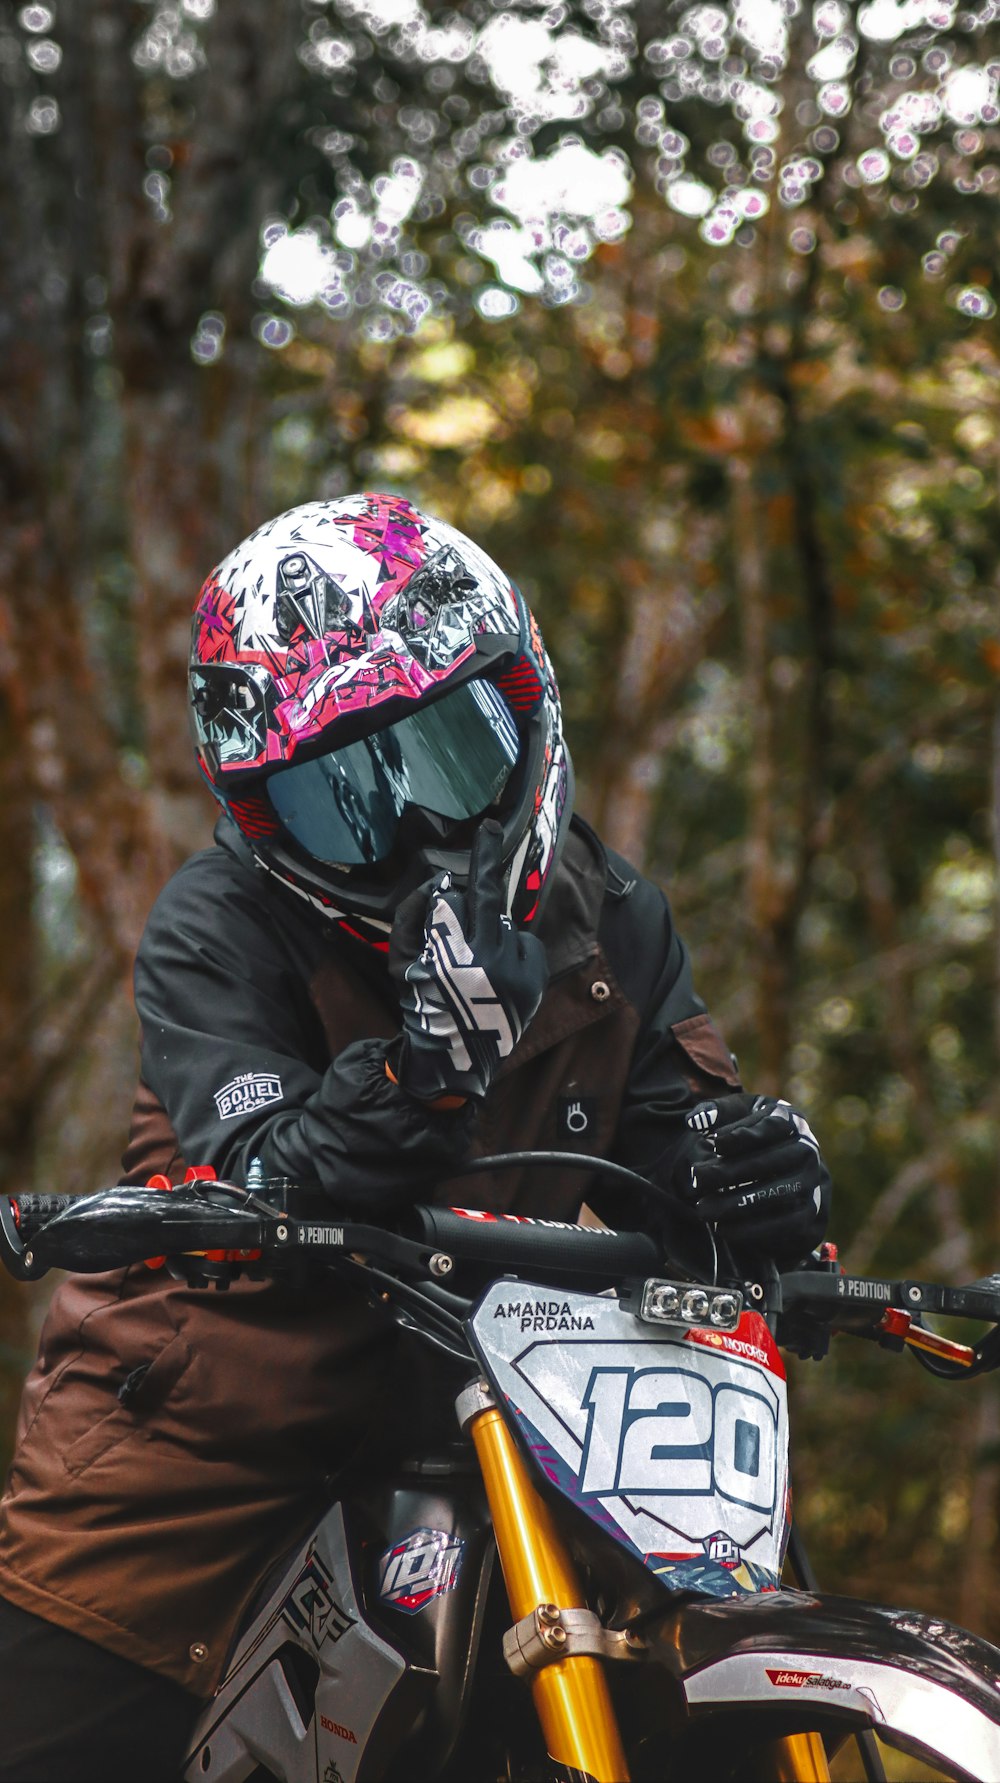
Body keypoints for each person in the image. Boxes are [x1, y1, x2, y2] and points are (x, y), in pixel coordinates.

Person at [0, 494, 830, 1780]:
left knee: (686, 1673)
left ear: (524, 701)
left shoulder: (608, 915)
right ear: (268, 819)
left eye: (445, 748)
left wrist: (758, 1179)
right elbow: (261, 1167)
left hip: (523, 1420)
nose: (423, 831)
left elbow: (682, 1140)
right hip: (209, 1440)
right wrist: (418, 1074)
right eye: (347, 803)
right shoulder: (216, 924)